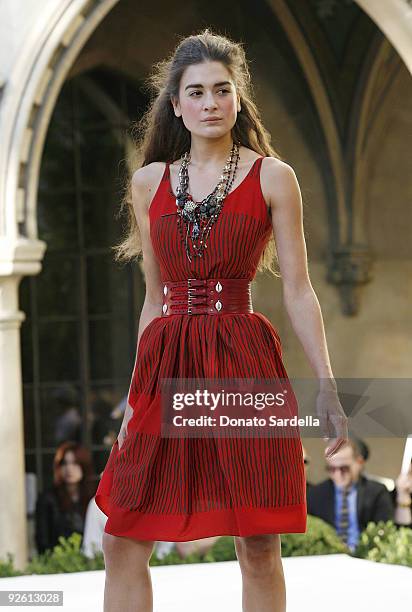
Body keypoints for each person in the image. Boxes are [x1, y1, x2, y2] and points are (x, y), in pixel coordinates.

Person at [95, 28, 348, 612]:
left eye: (222, 90)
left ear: (238, 98)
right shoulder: (148, 183)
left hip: (242, 362)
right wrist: (137, 396)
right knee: (122, 537)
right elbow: (154, 300)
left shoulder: (273, 177)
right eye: (197, 92)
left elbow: (300, 291)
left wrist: (328, 386)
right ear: (177, 106)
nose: (210, 103)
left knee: (257, 541)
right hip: (167, 363)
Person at [307, 438, 394, 551]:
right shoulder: (315, 495)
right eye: (331, 469)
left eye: (344, 468)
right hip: (328, 556)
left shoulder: (377, 492)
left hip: (366, 555)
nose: (338, 475)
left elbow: (385, 530)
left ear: (360, 463)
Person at [35, 441, 96, 554]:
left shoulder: (94, 498)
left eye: (74, 463)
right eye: (64, 463)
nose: (69, 469)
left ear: (84, 466)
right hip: (59, 563)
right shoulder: (48, 499)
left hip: (91, 563)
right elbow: (43, 541)